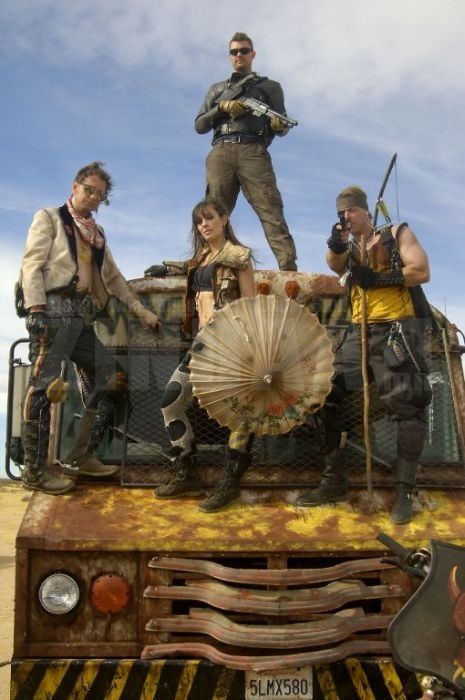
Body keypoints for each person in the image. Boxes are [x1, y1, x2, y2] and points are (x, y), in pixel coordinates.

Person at [17, 161, 160, 495]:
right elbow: (31, 264)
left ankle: (80, 458)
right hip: (52, 312)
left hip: (79, 318)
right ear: (75, 187)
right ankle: (33, 471)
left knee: (112, 376)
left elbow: (114, 279)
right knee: (43, 388)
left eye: (100, 195)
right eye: (89, 190)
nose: (94, 197)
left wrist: (141, 311)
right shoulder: (50, 217)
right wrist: (36, 309)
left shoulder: (96, 236)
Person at [296, 185, 433, 525]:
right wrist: (335, 244)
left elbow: (421, 271)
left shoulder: (395, 233)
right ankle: (334, 483)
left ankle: (404, 492)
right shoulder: (349, 247)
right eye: (341, 213)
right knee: (323, 394)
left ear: (365, 212)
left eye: (351, 211)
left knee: (408, 407)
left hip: (395, 331)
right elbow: (334, 263)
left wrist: (378, 279)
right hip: (359, 333)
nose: (346, 216)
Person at [154, 197, 256, 512]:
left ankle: (230, 483)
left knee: (241, 413)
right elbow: (194, 281)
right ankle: (187, 471)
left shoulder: (240, 257)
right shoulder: (199, 260)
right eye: (199, 221)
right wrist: (166, 266)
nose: (204, 225)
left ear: (224, 219)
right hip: (202, 344)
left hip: (231, 345)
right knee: (171, 402)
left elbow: (251, 306)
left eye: (209, 218)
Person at [194, 32, 297, 272]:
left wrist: (278, 126)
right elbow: (199, 125)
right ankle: (206, 264)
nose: (239, 55)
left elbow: (281, 125)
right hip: (221, 150)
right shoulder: (217, 89)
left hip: (253, 150)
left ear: (253, 54)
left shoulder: (270, 87)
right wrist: (222, 108)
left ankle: (288, 267)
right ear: (229, 56)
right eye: (234, 51)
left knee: (270, 207)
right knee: (211, 213)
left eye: (243, 50)